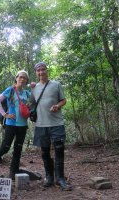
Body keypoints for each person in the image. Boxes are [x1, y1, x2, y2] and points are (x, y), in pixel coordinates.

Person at [30, 61, 72, 190]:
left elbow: (63, 100)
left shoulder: (56, 84)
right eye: (38, 70)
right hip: (41, 124)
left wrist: (57, 106)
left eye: (43, 69)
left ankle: (60, 178)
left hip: (56, 123)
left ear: (46, 70)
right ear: (36, 73)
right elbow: (31, 104)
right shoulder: (34, 88)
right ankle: (49, 176)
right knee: (44, 152)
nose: (41, 72)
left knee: (59, 150)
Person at [0, 70, 30, 180]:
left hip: (23, 125)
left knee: (18, 148)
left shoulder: (27, 93)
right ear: (16, 78)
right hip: (11, 124)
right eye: (20, 77)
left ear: (27, 80)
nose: (22, 79)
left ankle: (14, 171)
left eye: (24, 78)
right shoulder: (11, 90)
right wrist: (5, 114)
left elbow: (34, 101)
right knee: (5, 147)